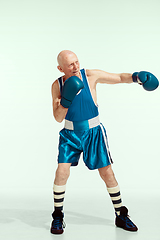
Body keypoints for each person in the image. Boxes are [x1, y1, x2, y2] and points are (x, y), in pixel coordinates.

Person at [50, 50, 159, 234]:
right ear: (61, 68)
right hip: (70, 134)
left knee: (107, 173)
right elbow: (58, 117)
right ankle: (58, 216)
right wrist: (66, 100)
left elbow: (118, 77)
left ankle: (121, 214)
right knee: (62, 172)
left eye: (77, 62)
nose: (76, 67)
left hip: (94, 133)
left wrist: (137, 77)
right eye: (70, 65)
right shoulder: (57, 85)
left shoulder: (90, 75)